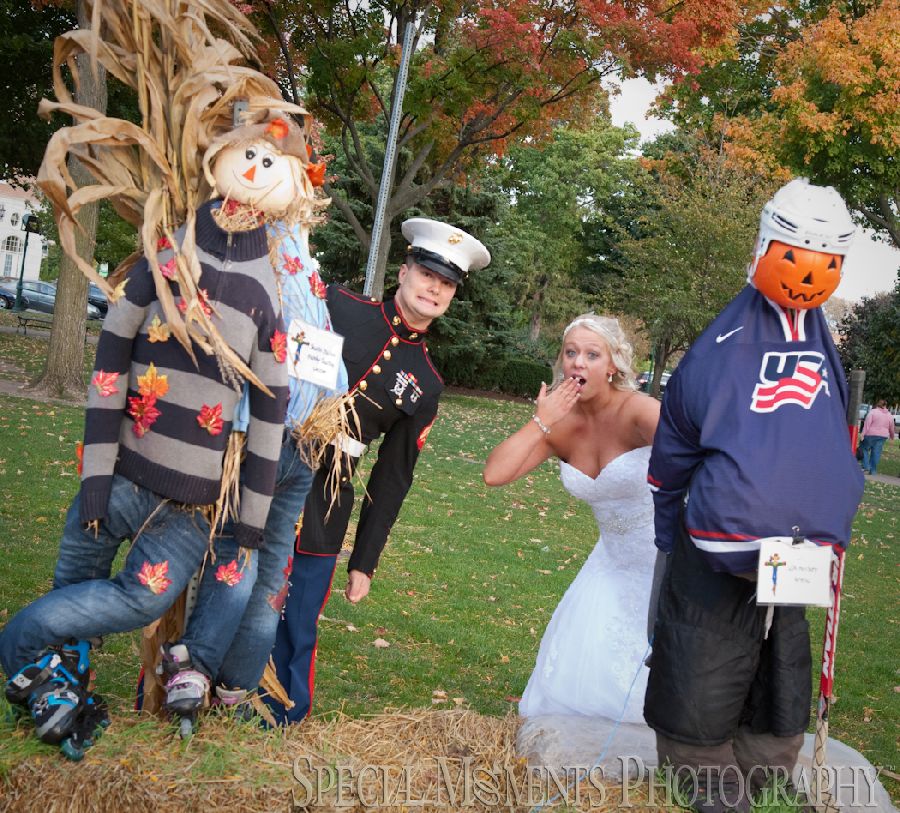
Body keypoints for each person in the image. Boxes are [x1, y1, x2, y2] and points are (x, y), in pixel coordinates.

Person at [0, 171, 290, 751]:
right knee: (73, 585)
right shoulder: (159, 264)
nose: (254, 177)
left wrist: (252, 525)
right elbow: (108, 370)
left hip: (189, 507)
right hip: (119, 477)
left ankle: (17, 641)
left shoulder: (266, 297)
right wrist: (96, 477)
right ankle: (57, 700)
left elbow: (270, 419)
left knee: (145, 598)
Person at [644, 178, 865, 812]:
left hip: (763, 544)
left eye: (825, 265)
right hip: (761, 542)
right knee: (732, 644)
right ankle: (723, 771)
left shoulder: (778, 344)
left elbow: (675, 451)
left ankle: (751, 773)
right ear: (771, 248)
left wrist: (667, 529)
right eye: (798, 259)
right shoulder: (748, 345)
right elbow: (681, 441)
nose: (808, 277)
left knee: (754, 650)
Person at [266, 217, 491, 725]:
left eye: (448, 283)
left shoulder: (426, 382)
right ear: (405, 269)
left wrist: (363, 561)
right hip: (268, 470)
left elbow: (392, 479)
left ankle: (283, 713)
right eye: (428, 274)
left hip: (327, 499)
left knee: (299, 619)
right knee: (236, 588)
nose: (435, 288)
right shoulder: (340, 307)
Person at [483, 314, 659, 722]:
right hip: (610, 564)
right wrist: (542, 420)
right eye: (571, 353)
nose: (578, 362)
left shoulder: (640, 411)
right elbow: (495, 474)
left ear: (613, 364)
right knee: (578, 672)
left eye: (592, 354)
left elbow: (694, 462)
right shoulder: (559, 424)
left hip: (663, 560)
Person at [859, 399, 895, 475]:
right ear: (886, 405)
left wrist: (862, 434)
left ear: (877, 404)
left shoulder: (873, 412)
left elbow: (867, 424)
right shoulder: (889, 415)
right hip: (882, 436)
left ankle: (866, 466)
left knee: (863, 448)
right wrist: (892, 436)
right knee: (876, 453)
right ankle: (873, 471)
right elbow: (892, 427)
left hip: (870, 434)